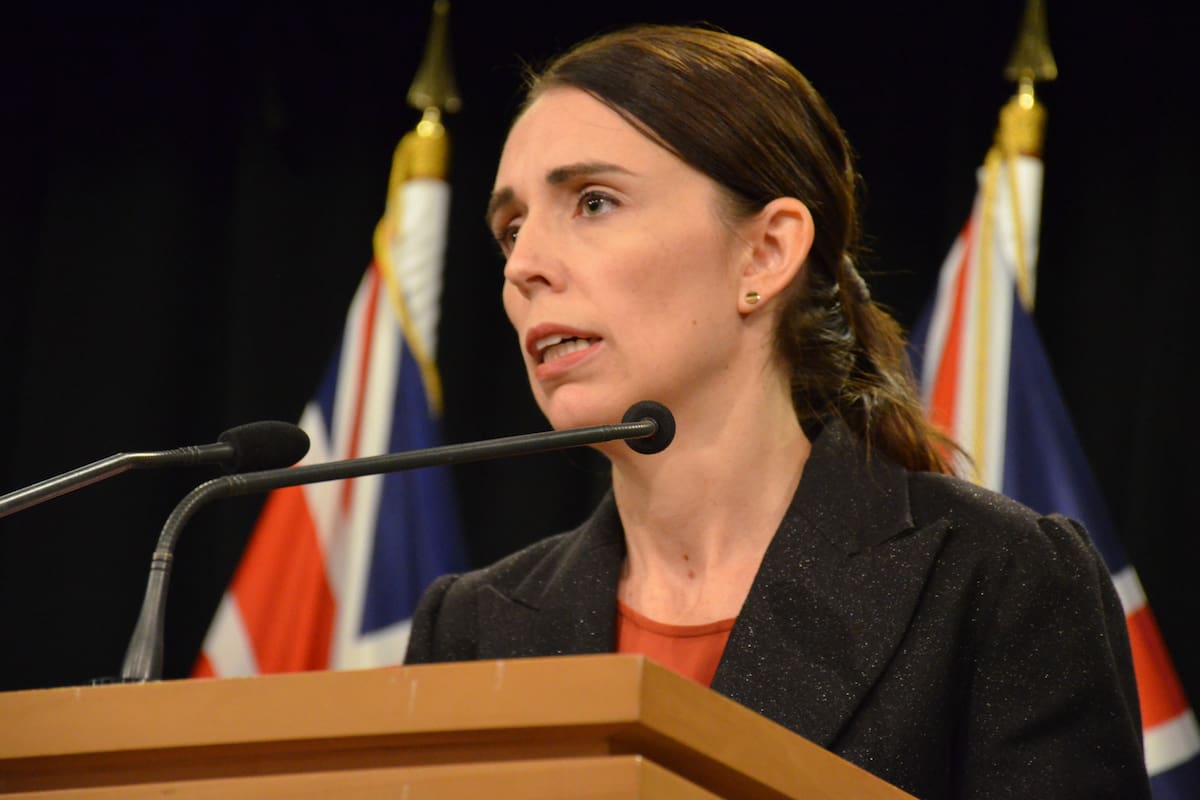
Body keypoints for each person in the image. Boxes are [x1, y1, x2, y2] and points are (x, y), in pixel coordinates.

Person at [404, 24, 1150, 799]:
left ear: (765, 253)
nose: (524, 266)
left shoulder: (995, 581)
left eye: (594, 202)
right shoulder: (473, 630)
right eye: (511, 228)